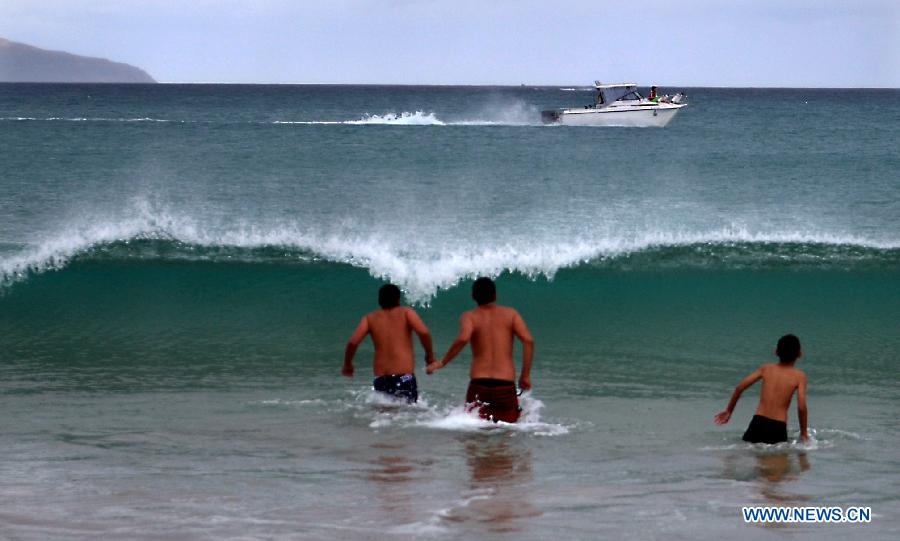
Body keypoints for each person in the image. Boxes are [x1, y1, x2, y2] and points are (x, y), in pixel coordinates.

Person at [427, 277, 534, 423]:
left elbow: (463, 338)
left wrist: (442, 362)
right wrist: (525, 376)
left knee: (474, 429)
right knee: (507, 431)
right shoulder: (511, 314)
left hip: (479, 384)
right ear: (495, 295)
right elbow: (528, 340)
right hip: (504, 384)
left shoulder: (470, 316)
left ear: (473, 296)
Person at [342, 284, 435, 403]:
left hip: (381, 378)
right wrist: (429, 357)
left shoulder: (369, 318)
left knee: (384, 415)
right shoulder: (406, 313)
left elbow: (353, 342)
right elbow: (424, 332)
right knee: (407, 414)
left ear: (379, 300)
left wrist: (348, 364)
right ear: (398, 299)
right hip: (404, 376)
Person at [714, 334, 809, 443]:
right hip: (778, 426)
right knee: (777, 459)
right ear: (799, 354)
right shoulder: (800, 376)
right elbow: (801, 407)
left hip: (757, 423)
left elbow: (740, 387)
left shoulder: (766, 369)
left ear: (776, 352)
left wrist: (729, 411)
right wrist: (804, 433)